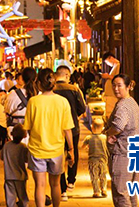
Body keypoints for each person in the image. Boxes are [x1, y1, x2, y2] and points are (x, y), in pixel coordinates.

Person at [23, 68, 75, 207]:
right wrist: (71, 149)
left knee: (40, 185)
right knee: (55, 184)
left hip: (36, 149)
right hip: (56, 150)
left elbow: (27, 128)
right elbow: (67, 129)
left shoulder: (33, 102)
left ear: (39, 84)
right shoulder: (62, 102)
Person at [105, 73, 139, 207]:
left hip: (123, 153)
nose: (116, 89)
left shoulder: (122, 106)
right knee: (131, 192)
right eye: (114, 85)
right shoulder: (132, 102)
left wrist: (109, 133)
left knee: (121, 193)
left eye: (119, 86)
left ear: (128, 87)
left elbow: (118, 126)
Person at [54, 65, 86, 201]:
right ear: (67, 75)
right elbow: (82, 108)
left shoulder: (52, 89)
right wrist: (74, 115)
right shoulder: (74, 89)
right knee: (73, 152)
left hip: (56, 129)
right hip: (73, 128)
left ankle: (62, 189)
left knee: (59, 156)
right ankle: (71, 180)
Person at [0, 123, 30, 207]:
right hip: (20, 176)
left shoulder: (6, 146)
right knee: (22, 196)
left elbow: (1, 157)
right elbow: (26, 159)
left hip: (8, 175)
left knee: (10, 197)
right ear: (24, 136)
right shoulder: (23, 147)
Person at [5, 67, 37, 141]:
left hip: (15, 132)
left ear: (22, 79)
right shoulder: (39, 95)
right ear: (35, 79)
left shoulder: (13, 94)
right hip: (34, 132)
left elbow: (7, 110)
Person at [82, 118, 108, 198]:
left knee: (94, 176)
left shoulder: (88, 138)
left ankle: (96, 191)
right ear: (103, 128)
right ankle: (104, 189)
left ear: (91, 126)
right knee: (103, 175)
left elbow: (83, 146)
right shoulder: (105, 137)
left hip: (92, 160)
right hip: (103, 160)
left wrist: (87, 148)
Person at [101, 52, 120, 116]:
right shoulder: (115, 66)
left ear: (110, 58)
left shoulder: (118, 65)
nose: (107, 64)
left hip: (112, 95)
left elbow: (118, 78)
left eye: (107, 62)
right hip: (110, 95)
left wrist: (108, 76)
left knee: (110, 113)